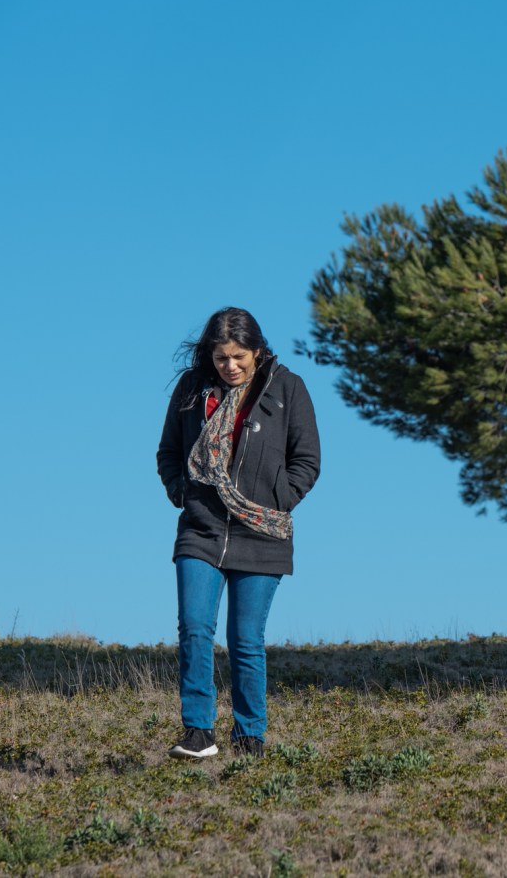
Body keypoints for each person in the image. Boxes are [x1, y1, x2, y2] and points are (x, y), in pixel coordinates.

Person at [156, 307, 320, 759]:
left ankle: (250, 736)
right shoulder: (191, 390)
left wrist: (275, 499)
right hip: (201, 529)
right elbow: (168, 451)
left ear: (257, 351)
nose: (229, 366)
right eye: (221, 357)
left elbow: (307, 460)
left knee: (245, 640)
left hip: (262, 534)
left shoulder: (287, 389)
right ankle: (198, 733)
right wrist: (182, 492)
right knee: (193, 627)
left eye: (238, 357)